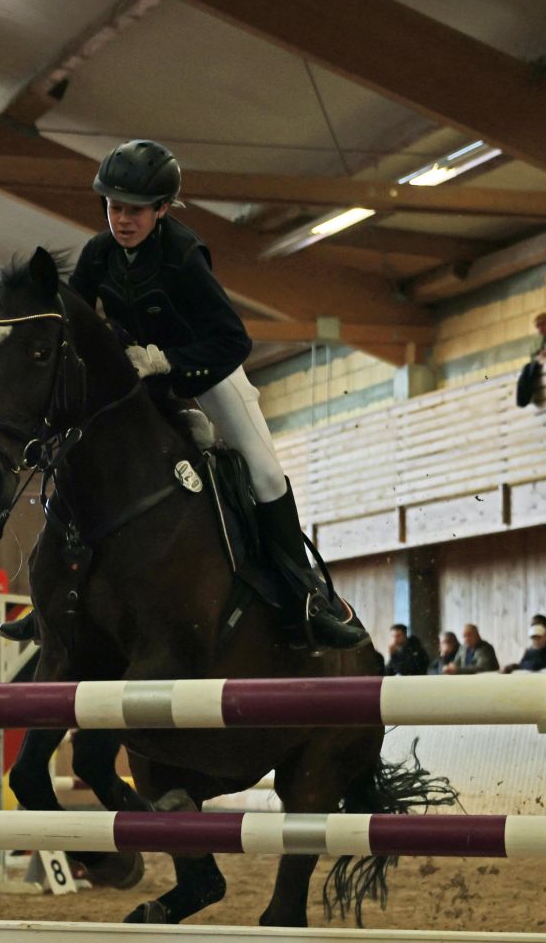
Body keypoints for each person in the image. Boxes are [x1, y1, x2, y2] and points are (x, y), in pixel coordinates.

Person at [51, 138, 366, 652]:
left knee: (265, 474)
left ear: (161, 209)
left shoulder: (182, 255)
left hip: (208, 375)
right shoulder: (98, 254)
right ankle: (60, 591)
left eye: (134, 210)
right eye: (114, 207)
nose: (122, 220)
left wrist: (168, 361)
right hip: (141, 384)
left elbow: (233, 340)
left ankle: (305, 600)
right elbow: (77, 322)